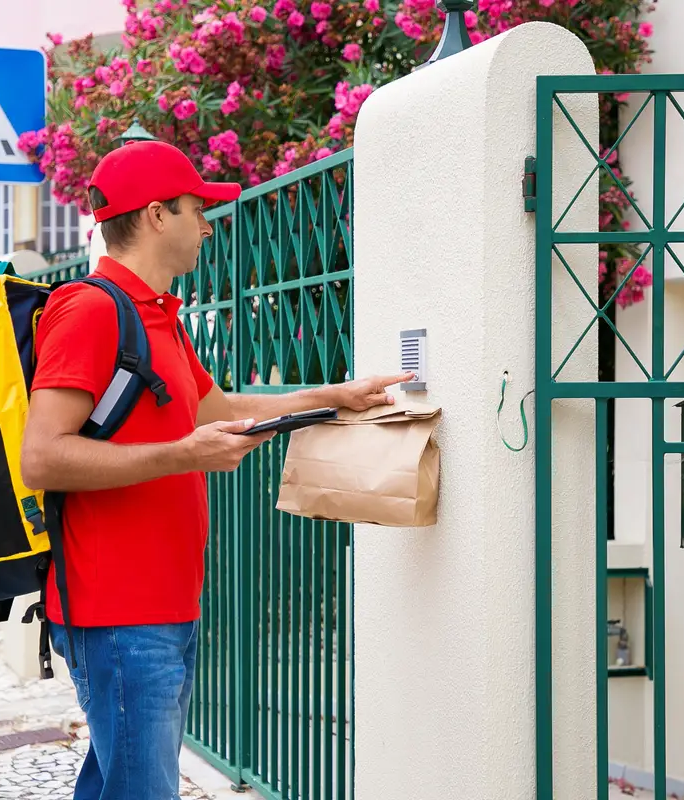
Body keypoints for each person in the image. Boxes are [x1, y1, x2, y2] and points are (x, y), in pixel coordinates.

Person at [20, 139, 410, 800]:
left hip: (163, 610)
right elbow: (42, 457)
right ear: (154, 216)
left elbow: (219, 408)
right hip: (119, 616)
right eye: (195, 209)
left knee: (118, 785)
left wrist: (330, 396)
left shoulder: (160, 317)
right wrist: (183, 454)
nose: (206, 226)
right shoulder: (91, 310)